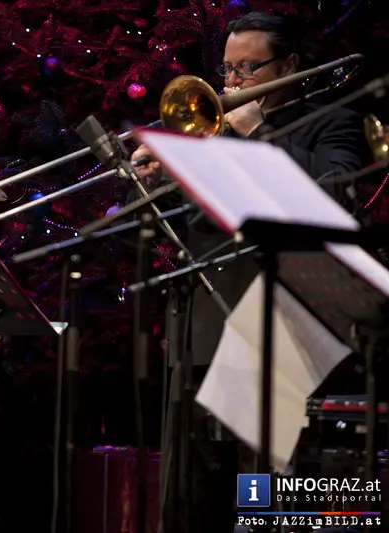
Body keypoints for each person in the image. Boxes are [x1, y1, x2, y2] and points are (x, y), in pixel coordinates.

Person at [126, 11, 371, 533]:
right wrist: (148, 188)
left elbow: (331, 202)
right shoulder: (208, 134)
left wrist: (258, 132)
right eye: (227, 69)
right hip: (203, 332)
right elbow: (168, 229)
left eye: (248, 69)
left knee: (271, 508)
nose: (231, 82)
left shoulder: (333, 122)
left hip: (286, 337)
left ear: (289, 65)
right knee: (193, 501)